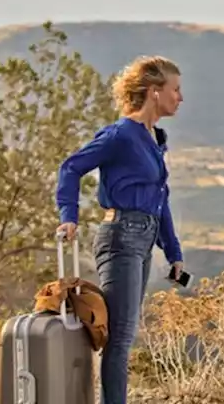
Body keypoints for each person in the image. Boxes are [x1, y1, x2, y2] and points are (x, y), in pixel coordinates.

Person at [55, 55, 186, 404]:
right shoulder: (120, 135)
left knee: (125, 335)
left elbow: (161, 199)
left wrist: (173, 252)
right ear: (154, 92)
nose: (180, 97)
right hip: (121, 237)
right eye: (175, 89)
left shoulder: (153, 139)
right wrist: (69, 216)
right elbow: (70, 168)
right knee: (120, 337)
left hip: (142, 238)